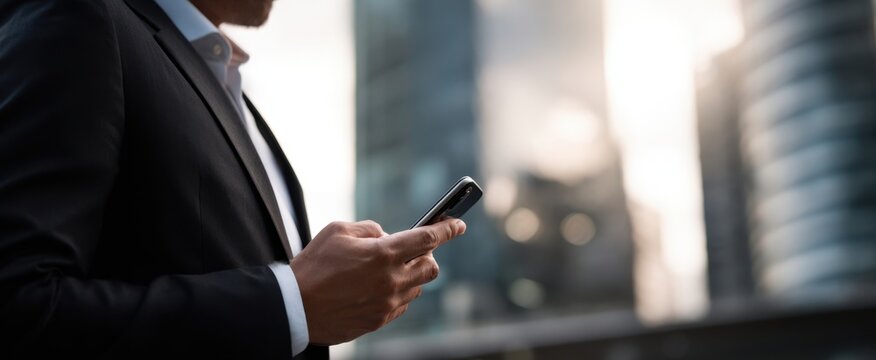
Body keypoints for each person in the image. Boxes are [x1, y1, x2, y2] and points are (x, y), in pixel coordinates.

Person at [0, 0, 466, 358]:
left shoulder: (224, 84)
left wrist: (315, 298)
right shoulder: (79, 19)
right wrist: (288, 302)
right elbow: (20, 305)